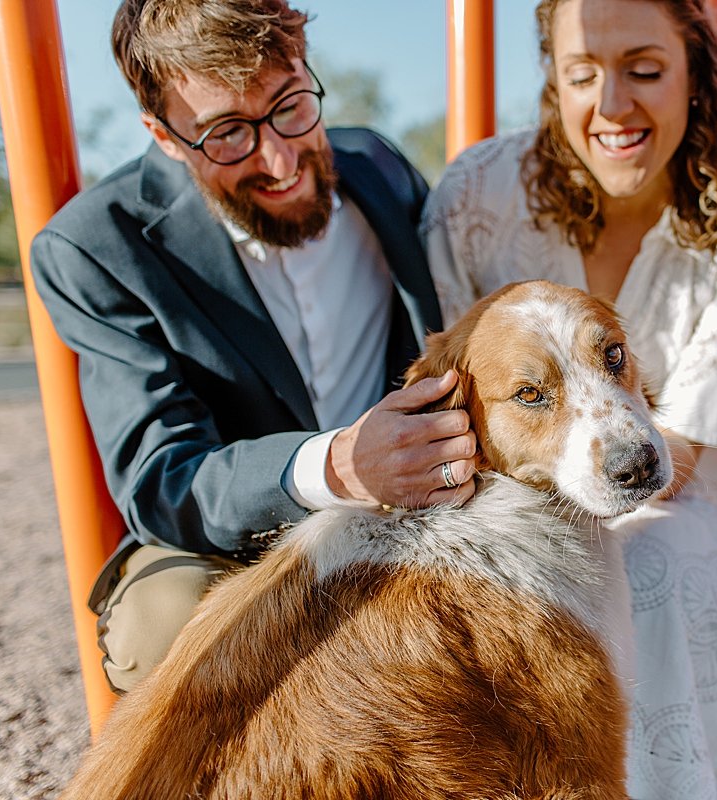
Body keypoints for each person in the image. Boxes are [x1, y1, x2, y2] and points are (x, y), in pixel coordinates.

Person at [421, 0, 717, 797]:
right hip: (499, 495)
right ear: (554, 85)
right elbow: (447, 388)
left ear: (696, 75)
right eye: (582, 75)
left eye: (644, 70)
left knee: (651, 563)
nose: (611, 106)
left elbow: (668, 457)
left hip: (681, 489)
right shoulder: (475, 199)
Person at [30, 0, 478, 694]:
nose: (278, 158)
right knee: (162, 619)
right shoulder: (96, 246)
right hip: (237, 544)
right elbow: (163, 479)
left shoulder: (379, 167)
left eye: (290, 104)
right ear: (164, 135)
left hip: (419, 510)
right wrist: (334, 468)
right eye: (227, 134)